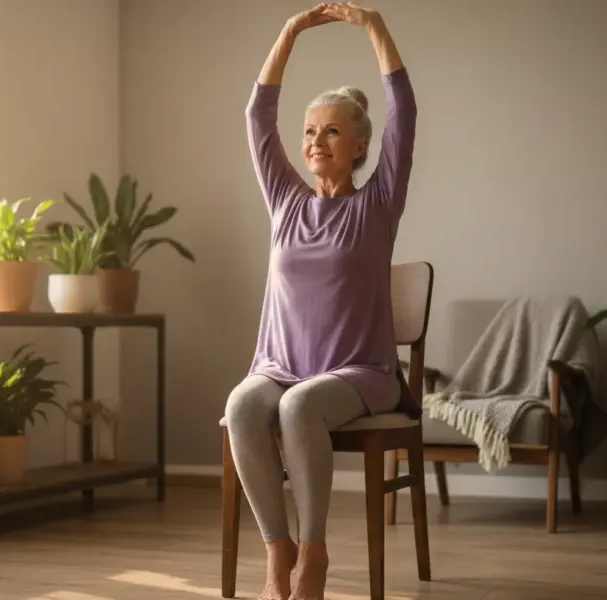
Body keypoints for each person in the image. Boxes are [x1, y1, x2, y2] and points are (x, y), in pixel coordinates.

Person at [224, 2, 417, 599]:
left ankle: (314, 554)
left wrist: (373, 27)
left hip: (360, 372)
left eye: (331, 130)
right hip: (280, 366)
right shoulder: (284, 200)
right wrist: (290, 33)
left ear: (359, 146)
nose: (315, 141)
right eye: (310, 131)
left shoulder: (376, 204)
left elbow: (403, 110)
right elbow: (258, 116)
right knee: (244, 403)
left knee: (299, 408)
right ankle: (276, 551)